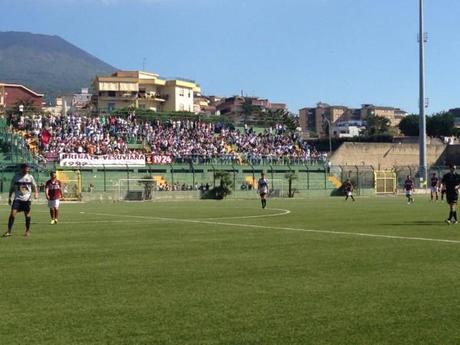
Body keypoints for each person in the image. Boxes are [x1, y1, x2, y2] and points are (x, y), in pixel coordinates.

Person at [2, 163, 38, 237]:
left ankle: (27, 231)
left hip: (27, 199)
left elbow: (34, 186)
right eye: (25, 168)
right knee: (12, 214)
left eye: (28, 168)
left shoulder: (30, 177)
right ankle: (9, 231)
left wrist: (36, 193)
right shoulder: (16, 177)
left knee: (27, 215)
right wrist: (9, 197)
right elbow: (12, 188)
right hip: (17, 199)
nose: (27, 169)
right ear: (22, 168)